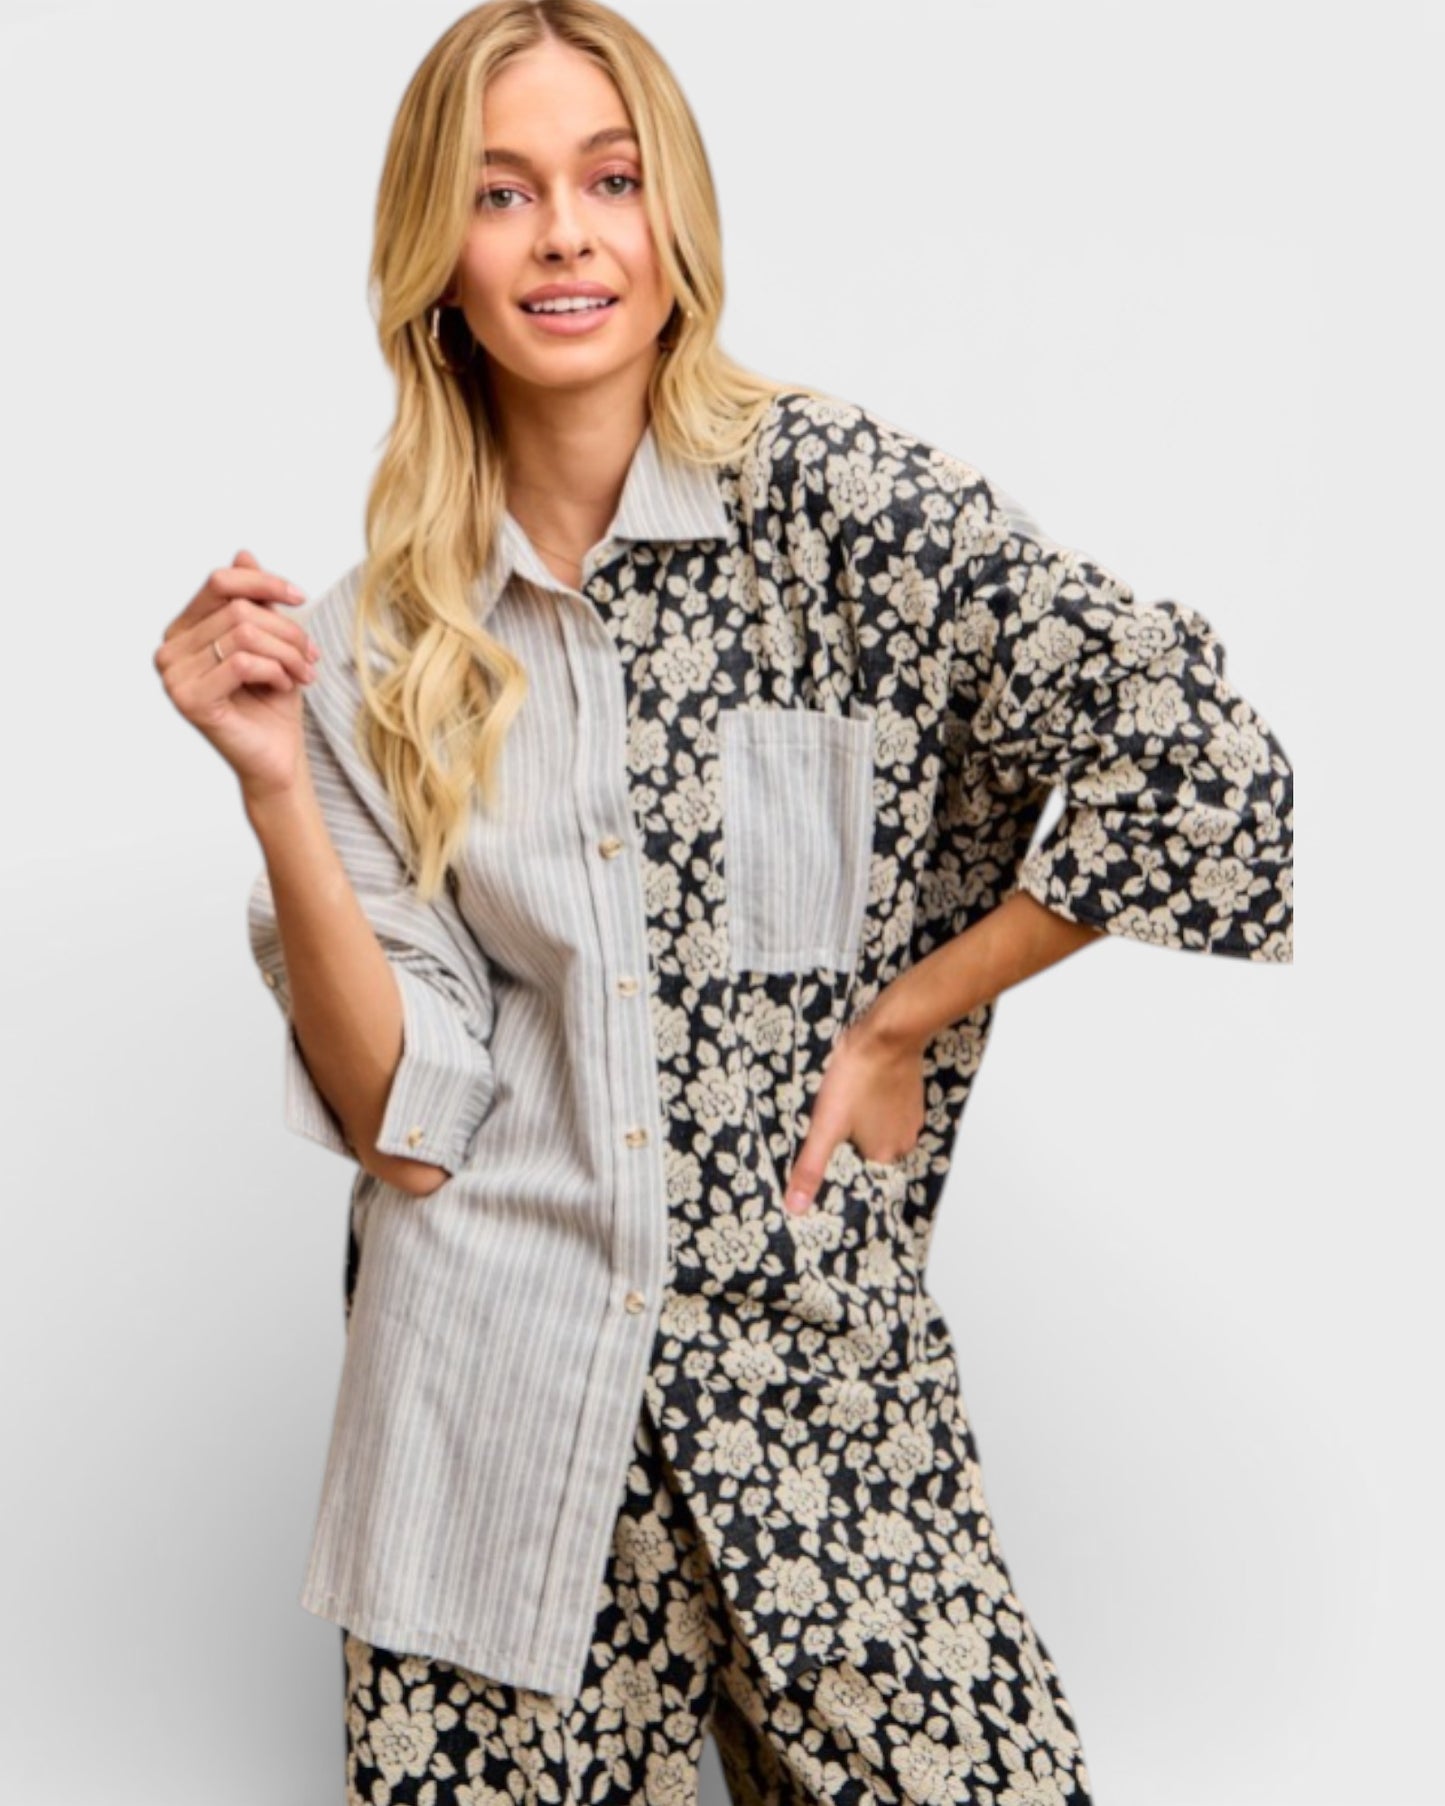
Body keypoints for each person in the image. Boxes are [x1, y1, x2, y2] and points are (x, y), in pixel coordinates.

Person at [154, 1, 1294, 1799]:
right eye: (501, 192)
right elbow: (405, 1120)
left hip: (815, 1390)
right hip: (494, 1410)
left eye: (608, 181)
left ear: (674, 214)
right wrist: (276, 778)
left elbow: (1196, 757)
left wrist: (910, 1007)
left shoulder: (842, 509)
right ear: (433, 260)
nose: (567, 235)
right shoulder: (375, 643)